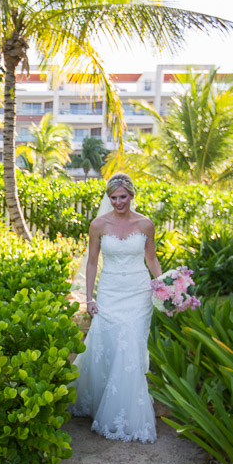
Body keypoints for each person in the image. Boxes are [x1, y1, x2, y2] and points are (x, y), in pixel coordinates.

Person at [70, 172, 162, 443]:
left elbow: (152, 259)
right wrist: (89, 298)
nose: (118, 202)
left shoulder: (146, 224)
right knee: (108, 345)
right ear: (108, 198)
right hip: (109, 292)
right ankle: (100, 401)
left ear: (131, 195)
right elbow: (91, 262)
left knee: (130, 345)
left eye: (123, 197)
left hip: (138, 293)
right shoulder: (98, 225)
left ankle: (126, 415)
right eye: (113, 197)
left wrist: (165, 288)